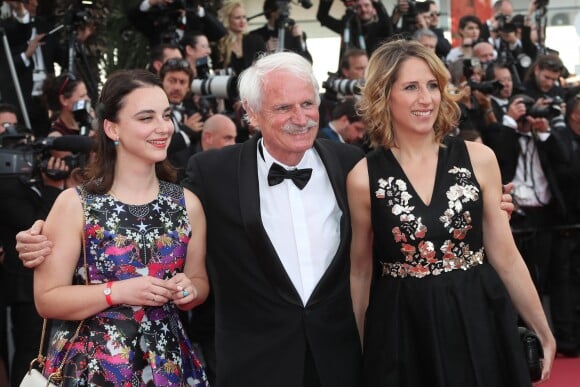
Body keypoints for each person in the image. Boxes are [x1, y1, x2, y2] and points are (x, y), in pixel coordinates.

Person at [15, 51, 517, 387]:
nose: (301, 117)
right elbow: (146, 214)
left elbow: (416, 212)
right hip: (252, 366)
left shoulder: (355, 167)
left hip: (344, 359)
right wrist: (41, 237)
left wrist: (489, 205)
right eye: (283, 107)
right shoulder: (210, 174)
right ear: (251, 114)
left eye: (308, 104)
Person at [348, 39, 555, 386]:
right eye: (411, 87)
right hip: (402, 325)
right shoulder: (362, 177)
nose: (426, 98)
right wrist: (357, 346)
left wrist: (541, 327)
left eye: (432, 85)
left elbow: (506, 256)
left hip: (475, 312)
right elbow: (360, 272)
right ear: (384, 95)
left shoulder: (479, 158)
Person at [31, 69, 209, 386]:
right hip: (90, 367)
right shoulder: (76, 204)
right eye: (146, 118)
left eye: (166, 115)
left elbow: (199, 282)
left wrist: (188, 290)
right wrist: (118, 292)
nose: (163, 127)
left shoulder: (187, 204)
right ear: (113, 128)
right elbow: (47, 299)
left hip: (167, 363)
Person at [214, 1, 266, 76]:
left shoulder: (256, 40)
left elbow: (264, 68)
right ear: (227, 19)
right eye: (237, 18)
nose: (242, 21)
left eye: (244, 17)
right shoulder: (220, 45)